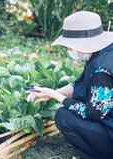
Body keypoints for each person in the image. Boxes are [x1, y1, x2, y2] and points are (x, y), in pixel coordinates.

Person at [26, 11, 113, 159]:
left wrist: (58, 97)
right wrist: (51, 92)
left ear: (84, 44)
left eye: (70, 47)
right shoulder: (104, 51)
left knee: (63, 116)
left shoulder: (102, 71)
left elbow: (93, 114)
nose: (68, 50)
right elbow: (81, 84)